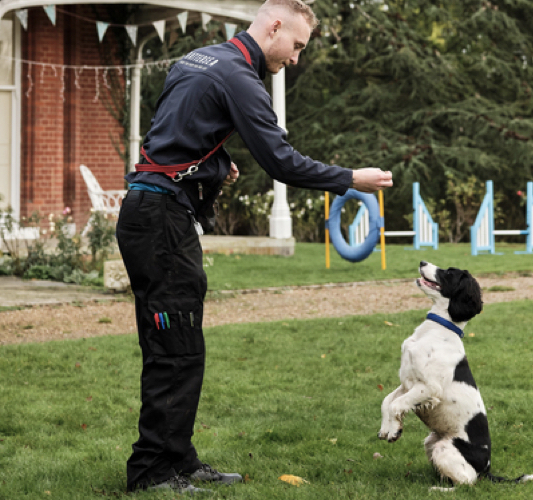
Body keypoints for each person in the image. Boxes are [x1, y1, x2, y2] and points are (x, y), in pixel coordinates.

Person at [116, 0, 393, 494]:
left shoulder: (197, 60)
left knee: (181, 346)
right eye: (297, 46)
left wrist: (217, 165)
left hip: (150, 214)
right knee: (173, 348)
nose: (296, 59)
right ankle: (151, 472)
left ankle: (178, 459)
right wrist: (350, 178)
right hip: (159, 222)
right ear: (275, 26)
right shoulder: (239, 77)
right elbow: (282, 162)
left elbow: (172, 138)